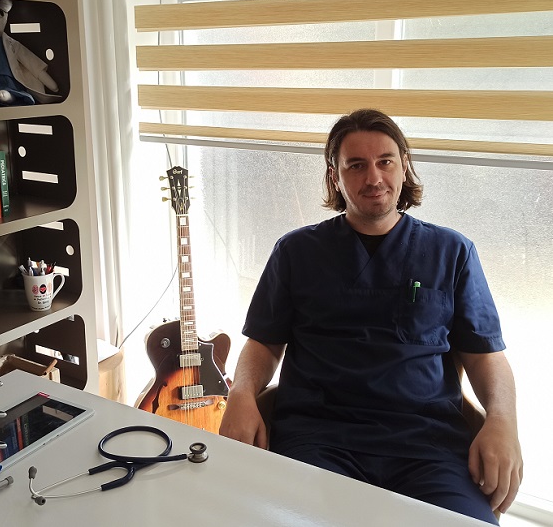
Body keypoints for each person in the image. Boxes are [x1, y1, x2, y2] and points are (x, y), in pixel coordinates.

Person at [219, 109, 522, 524]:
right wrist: (240, 395)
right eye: (356, 165)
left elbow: (485, 354)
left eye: (385, 161)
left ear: (404, 166)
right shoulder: (296, 252)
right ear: (335, 177)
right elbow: (264, 342)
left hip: (427, 447)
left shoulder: (452, 252)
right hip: (318, 442)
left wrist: (503, 422)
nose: (374, 178)